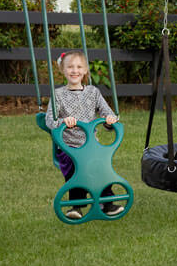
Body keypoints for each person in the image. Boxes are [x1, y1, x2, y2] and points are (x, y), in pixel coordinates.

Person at [44, 50, 123, 219]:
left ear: (86, 70)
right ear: (63, 70)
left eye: (79, 67)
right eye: (70, 67)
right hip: (68, 147)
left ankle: (107, 203)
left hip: (91, 145)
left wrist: (109, 120)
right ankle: (76, 207)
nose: (75, 70)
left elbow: (107, 113)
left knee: (101, 168)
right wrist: (63, 121)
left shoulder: (93, 92)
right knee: (78, 169)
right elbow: (49, 120)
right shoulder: (58, 95)